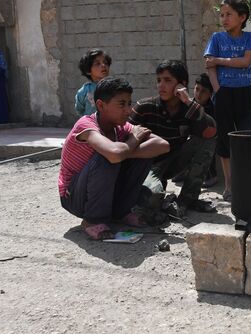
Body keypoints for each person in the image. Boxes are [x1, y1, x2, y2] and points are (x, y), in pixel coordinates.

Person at [58, 76, 170, 240]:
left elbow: (162, 145)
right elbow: (114, 153)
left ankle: (120, 212)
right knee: (108, 156)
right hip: (74, 197)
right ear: (101, 105)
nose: (128, 110)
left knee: (140, 153)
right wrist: (131, 142)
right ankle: (92, 220)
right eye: (121, 104)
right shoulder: (86, 125)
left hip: (102, 191)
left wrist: (125, 151)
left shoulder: (121, 127)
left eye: (129, 103)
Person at [129, 60, 217, 217]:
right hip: (146, 166)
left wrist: (189, 101)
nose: (161, 85)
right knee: (151, 199)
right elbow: (123, 137)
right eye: (158, 80)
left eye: (167, 80)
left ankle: (185, 200)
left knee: (207, 141)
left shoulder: (188, 109)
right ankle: (161, 197)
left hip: (174, 163)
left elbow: (210, 131)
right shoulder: (144, 107)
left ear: (181, 84)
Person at [204, 0, 251, 201]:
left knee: (249, 138)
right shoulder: (216, 38)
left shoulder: (250, 37)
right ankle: (229, 186)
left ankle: (249, 182)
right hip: (224, 94)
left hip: (245, 93)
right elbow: (209, 67)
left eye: (229, 14)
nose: (224, 18)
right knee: (224, 141)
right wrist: (218, 90)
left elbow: (246, 62)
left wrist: (219, 60)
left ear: (242, 17)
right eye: (222, 15)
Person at [171, 73, 218, 188]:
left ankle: (212, 176)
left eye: (203, 91)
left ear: (210, 94)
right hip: (191, 137)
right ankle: (183, 170)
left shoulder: (210, 108)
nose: (198, 94)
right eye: (197, 89)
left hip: (206, 139)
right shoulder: (189, 102)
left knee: (205, 144)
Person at [75, 48, 111, 116]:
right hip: (91, 125)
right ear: (88, 71)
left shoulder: (113, 87)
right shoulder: (85, 91)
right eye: (97, 64)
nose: (103, 65)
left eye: (105, 63)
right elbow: (79, 109)